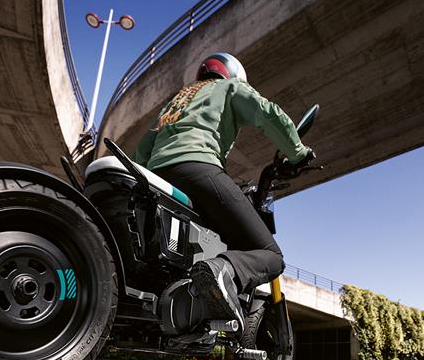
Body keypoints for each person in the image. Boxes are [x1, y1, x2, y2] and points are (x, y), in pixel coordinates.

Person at [133, 52, 315, 329]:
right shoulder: (230, 87)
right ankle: (222, 271)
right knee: (270, 255)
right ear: (231, 73)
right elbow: (267, 113)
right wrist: (298, 152)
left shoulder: (176, 102)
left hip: (159, 178)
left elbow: (143, 151)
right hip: (199, 168)